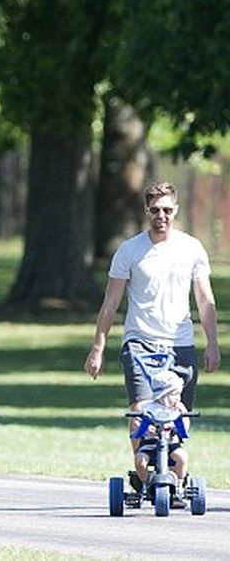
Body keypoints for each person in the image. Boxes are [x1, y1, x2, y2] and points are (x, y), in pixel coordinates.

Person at [83, 181, 220, 461]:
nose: (162, 216)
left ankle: (175, 472)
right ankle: (143, 469)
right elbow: (111, 303)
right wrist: (97, 348)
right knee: (141, 411)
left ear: (176, 210)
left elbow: (205, 300)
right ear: (147, 210)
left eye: (167, 210)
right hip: (140, 343)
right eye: (155, 210)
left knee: (179, 413)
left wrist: (212, 344)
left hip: (179, 343)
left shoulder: (191, 248)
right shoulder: (130, 251)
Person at [133, 370, 189, 508]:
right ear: (163, 395)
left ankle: (180, 484)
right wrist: (146, 429)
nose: (178, 398)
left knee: (181, 457)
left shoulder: (178, 408)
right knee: (140, 460)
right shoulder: (148, 408)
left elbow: (185, 424)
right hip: (150, 444)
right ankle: (146, 484)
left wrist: (180, 423)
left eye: (179, 394)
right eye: (174, 394)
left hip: (171, 443)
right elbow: (138, 423)